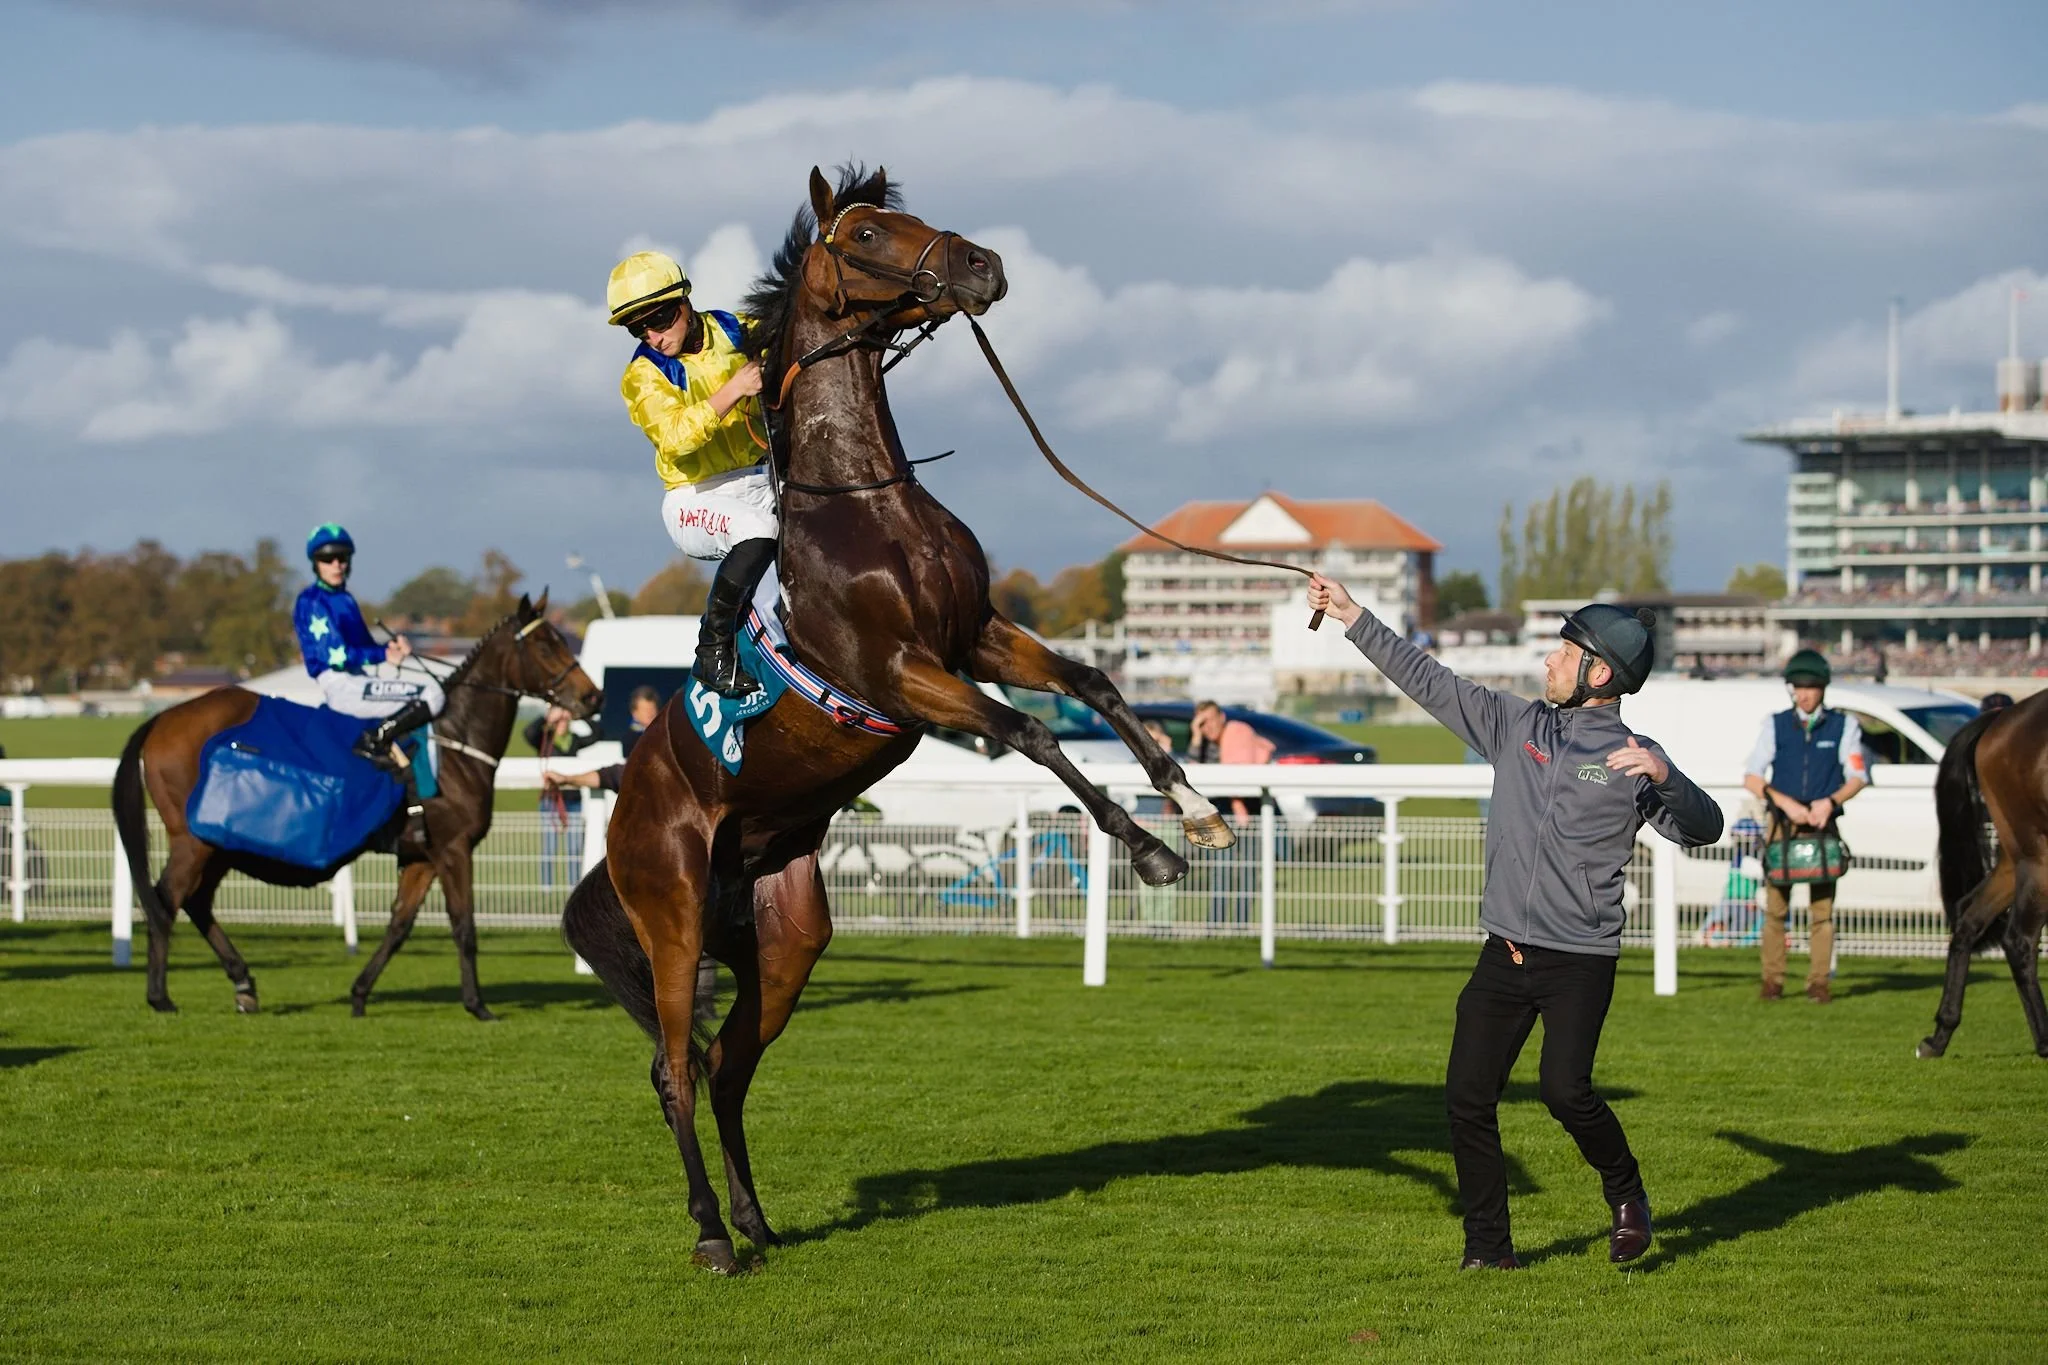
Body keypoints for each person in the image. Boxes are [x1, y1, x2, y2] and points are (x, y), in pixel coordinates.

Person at [1308, 573, 1723, 1271]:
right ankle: (1489, 1250)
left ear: (1599, 671)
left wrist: (1665, 775)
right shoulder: (1515, 724)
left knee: (1566, 1090)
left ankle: (1626, 1192)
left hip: (1578, 959)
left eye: (1562, 654)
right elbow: (1428, 678)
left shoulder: (1634, 759)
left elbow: (1703, 828)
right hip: (1504, 952)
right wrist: (1352, 615)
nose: (1548, 663)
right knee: (1467, 1096)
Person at [606, 251, 773, 698]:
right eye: (637, 328)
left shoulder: (738, 329)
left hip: (762, 479)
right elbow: (677, 438)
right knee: (760, 530)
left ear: (684, 301)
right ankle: (712, 650)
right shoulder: (642, 376)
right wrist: (735, 388)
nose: (653, 336)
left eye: (659, 320)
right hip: (695, 498)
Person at [295, 523, 444, 840]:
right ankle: (375, 742)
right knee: (431, 693)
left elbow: (368, 649)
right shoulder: (311, 601)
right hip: (340, 683)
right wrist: (382, 656)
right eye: (328, 559)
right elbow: (337, 655)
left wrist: (390, 650)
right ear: (315, 563)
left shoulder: (345, 599)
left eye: (342, 557)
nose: (337, 564)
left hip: (358, 680)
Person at [1741, 649, 1868, 1005]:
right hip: (1782, 824)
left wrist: (1830, 802)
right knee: (1776, 907)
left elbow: (1858, 776)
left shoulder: (1845, 726)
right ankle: (1772, 981)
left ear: (1823, 689)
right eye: (1798, 687)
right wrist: (1786, 804)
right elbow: (1752, 777)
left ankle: (1818, 983)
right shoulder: (1775, 724)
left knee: (1822, 911)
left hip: (1823, 825)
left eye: (1810, 687)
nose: (1804, 694)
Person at [1188, 701, 1274, 925]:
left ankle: (1240, 925)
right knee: (1220, 870)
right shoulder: (1205, 745)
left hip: (1248, 812)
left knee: (1247, 871)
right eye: (1201, 723)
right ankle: (1216, 924)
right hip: (1220, 814)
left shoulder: (1237, 732)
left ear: (1221, 717)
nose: (1207, 727)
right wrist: (1196, 737)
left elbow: (1241, 773)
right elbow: (1191, 775)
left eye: (1209, 721)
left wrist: (1237, 804)